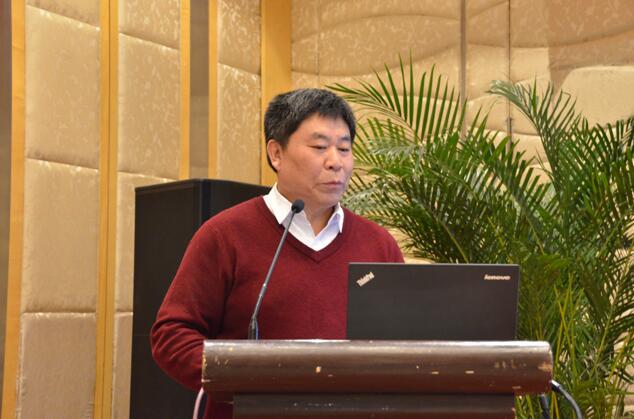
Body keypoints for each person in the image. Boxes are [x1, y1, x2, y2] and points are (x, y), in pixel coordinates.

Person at [150, 88, 404, 418]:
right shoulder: (224, 235)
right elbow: (171, 336)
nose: (336, 162)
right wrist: (242, 377)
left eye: (344, 148)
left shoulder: (379, 244)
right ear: (276, 154)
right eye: (319, 147)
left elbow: (403, 344)